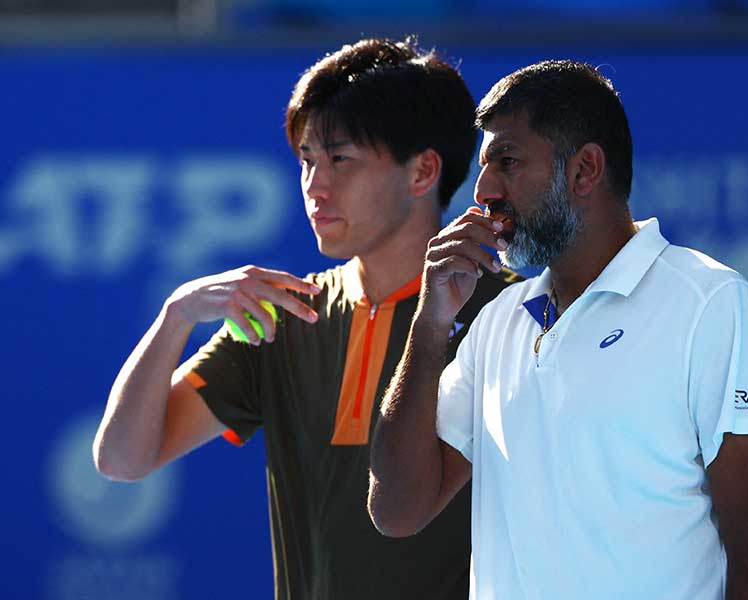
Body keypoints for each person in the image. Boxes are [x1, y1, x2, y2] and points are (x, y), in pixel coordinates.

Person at [93, 38, 518, 600]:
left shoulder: (510, 315)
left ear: (423, 172)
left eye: (340, 159)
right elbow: (122, 458)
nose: (316, 187)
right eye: (307, 160)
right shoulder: (284, 316)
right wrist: (177, 314)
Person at [369, 60, 748, 599]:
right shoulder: (495, 320)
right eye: (483, 166)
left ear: (585, 170)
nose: (484, 191)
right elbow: (396, 510)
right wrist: (429, 327)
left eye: (508, 161)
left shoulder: (714, 306)